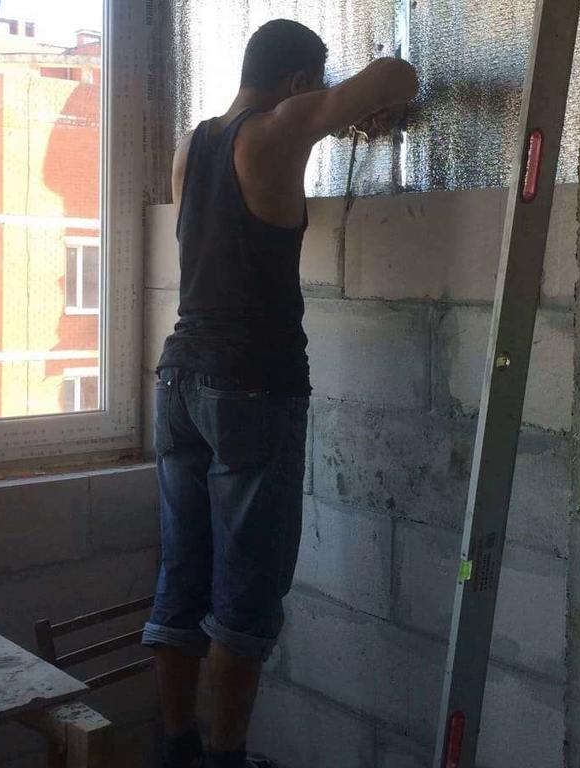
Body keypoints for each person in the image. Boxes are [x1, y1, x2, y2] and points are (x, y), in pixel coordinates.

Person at [143, 18, 418, 768]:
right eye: (311, 89)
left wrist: (334, 118)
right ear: (297, 83)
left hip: (179, 381)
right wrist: (350, 105)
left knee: (182, 578)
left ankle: (177, 749)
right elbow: (398, 76)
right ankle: (227, 759)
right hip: (252, 389)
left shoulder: (191, 146)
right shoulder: (279, 128)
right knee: (246, 596)